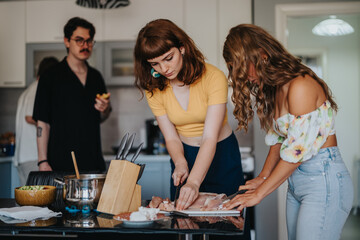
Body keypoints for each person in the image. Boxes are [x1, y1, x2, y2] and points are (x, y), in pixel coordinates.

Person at [222, 24, 354, 240]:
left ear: (262, 55)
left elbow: (296, 153)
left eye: (243, 68)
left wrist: (260, 194)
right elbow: (279, 142)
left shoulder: (300, 86)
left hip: (323, 180)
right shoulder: (277, 88)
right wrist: (262, 177)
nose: (245, 78)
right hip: (297, 184)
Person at [134, 19, 245, 210]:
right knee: (184, 223)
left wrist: (194, 182)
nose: (164, 69)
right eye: (155, 64)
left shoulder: (213, 77)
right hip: (185, 154)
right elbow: (171, 137)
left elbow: (209, 137)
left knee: (227, 224)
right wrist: (180, 162)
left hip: (221, 154)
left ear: (182, 48)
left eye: (168, 58)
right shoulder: (154, 88)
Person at [33, 17, 111, 172]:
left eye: (89, 41)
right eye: (79, 40)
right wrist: (42, 161)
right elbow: (42, 123)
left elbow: (103, 117)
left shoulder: (96, 77)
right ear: (67, 41)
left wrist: (104, 109)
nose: (85, 46)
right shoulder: (50, 76)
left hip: (93, 162)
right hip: (59, 163)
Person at [14, 57, 59, 185]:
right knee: (35, 200)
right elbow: (30, 117)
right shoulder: (38, 89)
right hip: (32, 156)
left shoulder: (29, 89)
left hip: (24, 156)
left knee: (27, 199)